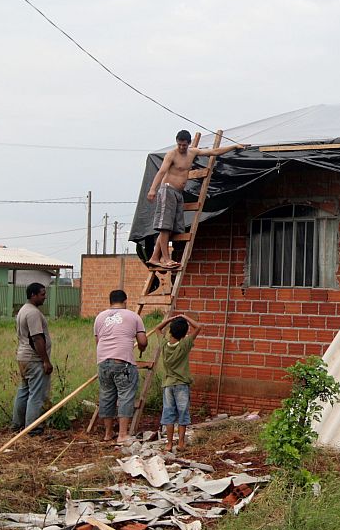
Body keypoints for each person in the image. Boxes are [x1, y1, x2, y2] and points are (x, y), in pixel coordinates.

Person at [145, 129, 245, 269]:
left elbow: (214, 152)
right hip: (167, 190)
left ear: (188, 143)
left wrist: (234, 146)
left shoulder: (192, 152)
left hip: (178, 193)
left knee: (171, 227)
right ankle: (166, 259)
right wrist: (152, 189)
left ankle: (155, 257)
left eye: (184, 145)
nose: (181, 147)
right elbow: (161, 171)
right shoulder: (171, 154)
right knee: (165, 227)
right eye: (179, 144)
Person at [94, 289, 148, 445]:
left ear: (110, 301)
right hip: (123, 362)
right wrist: (142, 348)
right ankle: (123, 435)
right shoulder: (133, 316)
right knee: (125, 395)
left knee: (106, 395)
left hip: (103, 362)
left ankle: (108, 433)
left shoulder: (99, 317)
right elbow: (142, 341)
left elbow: (98, 341)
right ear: (125, 301)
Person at [145, 313, 201, 452]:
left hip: (168, 385)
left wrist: (169, 319)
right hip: (181, 384)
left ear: (170, 331)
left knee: (169, 413)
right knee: (182, 413)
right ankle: (181, 443)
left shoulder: (164, 345)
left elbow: (157, 329)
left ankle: (169, 444)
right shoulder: (184, 344)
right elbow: (198, 327)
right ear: (184, 333)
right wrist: (185, 317)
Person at [12, 282, 53, 434]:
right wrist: (45, 361)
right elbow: (37, 338)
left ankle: (18, 424)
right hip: (33, 358)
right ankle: (33, 428)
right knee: (37, 394)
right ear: (32, 295)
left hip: (23, 356)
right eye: (42, 294)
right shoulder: (33, 313)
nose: (45, 297)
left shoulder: (23, 310)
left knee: (24, 391)